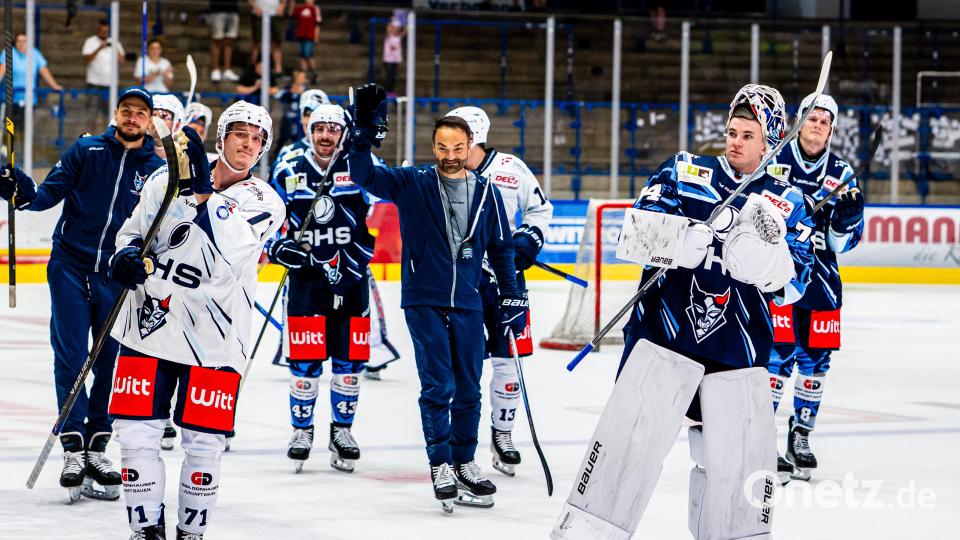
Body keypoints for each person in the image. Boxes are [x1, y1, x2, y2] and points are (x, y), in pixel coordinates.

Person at [551, 84, 815, 540]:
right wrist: (677, 239)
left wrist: (767, 263)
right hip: (662, 340)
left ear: (769, 143)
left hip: (737, 353)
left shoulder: (786, 203)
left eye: (748, 135)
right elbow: (634, 234)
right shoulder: (684, 171)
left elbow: (796, 285)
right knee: (627, 450)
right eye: (732, 131)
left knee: (726, 464)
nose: (735, 141)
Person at [345, 84, 526, 512]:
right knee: (438, 384)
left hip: (468, 300)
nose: (449, 154)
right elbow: (364, 175)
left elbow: (501, 249)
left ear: (470, 147)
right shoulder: (413, 182)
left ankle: (465, 460)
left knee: (469, 387)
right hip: (423, 299)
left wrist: (513, 294)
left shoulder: (488, 194)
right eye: (442, 147)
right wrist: (363, 138)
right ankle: (441, 462)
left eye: (458, 147)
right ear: (433, 147)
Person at [107, 100, 284, 540]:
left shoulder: (265, 200)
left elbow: (228, 252)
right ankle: (145, 528)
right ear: (221, 137)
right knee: (134, 434)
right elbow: (134, 228)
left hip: (215, 340)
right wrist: (124, 255)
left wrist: (204, 194)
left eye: (256, 137)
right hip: (148, 325)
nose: (248, 143)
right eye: (239, 133)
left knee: (204, 442)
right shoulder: (168, 174)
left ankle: (192, 532)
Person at [0, 87, 164, 503]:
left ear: (149, 120)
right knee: (71, 356)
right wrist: (16, 187)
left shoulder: (158, 169)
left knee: (109, 360)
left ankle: (98, 447)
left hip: (117, 274)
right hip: (70, 267)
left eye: (140, 113)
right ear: (116, 113)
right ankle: (74, 448)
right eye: (126, 110)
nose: (132, 118)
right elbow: (41, 198)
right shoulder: (86, 150)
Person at [268, 104, 377, 473]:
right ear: (310, 132)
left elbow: (391, 196)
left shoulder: (361, 170)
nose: (326, 135)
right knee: (305, 363)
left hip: (352, 280)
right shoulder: (289, 170)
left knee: (349, 365)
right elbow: (264, 219)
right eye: (319, 128)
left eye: (333, 128)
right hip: (307, 282)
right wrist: (276, 247)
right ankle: (302, 431)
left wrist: (365, 146)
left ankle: (342, 431)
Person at [444, 106, 552, 477]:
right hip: (463, 284)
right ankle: (464, 442)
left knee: (509, 362)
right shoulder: (444, 173)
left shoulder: (511, 169)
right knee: (466, 366)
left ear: (474, 139)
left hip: (507, 281)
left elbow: (540, 210)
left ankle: (503, 434)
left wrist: (528, 240)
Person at [766, 93, 864, 482]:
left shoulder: (843, 174)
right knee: (776, 360)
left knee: (815, 364)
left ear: (831, 129)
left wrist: (845, 220)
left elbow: (844, 244)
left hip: (822, 284)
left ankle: (800, 435)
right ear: (800, 120)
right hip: (781, 278)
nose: (818, 125)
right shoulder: (774, 162)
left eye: (826, 120)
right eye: (812, 118)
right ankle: (763, 435)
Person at [0, 32, 63, 134]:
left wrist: (54, 85)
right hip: (10, 99)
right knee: (9, 129)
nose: (21, 44)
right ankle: (6, 148)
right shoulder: (8, 52)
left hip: (29, 99)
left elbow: (44, 70)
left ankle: (21, 149)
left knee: (25, 129)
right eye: (18, 41)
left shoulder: (35, 53)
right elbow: (2, 71)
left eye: (24, 41)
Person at [82, 19, 125, 130]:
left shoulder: (115, 42)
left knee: (108, 115)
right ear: (98, 30)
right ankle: (90, 139)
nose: (104, 33)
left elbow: (122, 60)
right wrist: (100, 47)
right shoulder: (90, 41)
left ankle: (105, 139)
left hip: (111, 85)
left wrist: (114, 46)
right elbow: (86, 59)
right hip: (94, 83)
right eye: (102, 31)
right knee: (92, 114)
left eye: (106, 31)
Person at [272, 87, 329, 166]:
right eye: (307, 114)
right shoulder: (287, 153)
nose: (311, 120)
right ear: (301, 118)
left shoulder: (341, 152)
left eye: (317, 114)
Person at [248, 0, 288, 75]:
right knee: (257, 41)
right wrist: (254, 6)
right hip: (258, 12)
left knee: (277, 42)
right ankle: (252, 68)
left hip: (275, 13)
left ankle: (278, 69)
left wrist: (282, 5)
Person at [274, 69, 309, 151]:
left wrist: (302, 94)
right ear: (296, 78)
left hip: (299, 119)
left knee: (298, 138)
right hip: (287, 118)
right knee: (283, 137)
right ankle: (277, 154)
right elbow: (279, 95)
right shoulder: (287, 88)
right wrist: (290, 93)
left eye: (304, 77)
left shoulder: (306, 90)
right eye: (301, 77)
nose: (303, 79)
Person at [208, 0, 241, 82]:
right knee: (217, 39)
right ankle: (215, 69)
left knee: (230, 40)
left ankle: (227, 70)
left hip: (233, 9)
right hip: (217, 9)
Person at [150, 94, 185, 160]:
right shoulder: (134, 154)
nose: (156, 120)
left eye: (164, 116)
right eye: (153, 115)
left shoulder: (187, 160)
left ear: (177, 125)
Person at [292, 0, 321, 75]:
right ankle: (304, 72)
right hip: (301, 34)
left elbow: (317, 24)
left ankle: (314, 72)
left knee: (308, 53)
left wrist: (316, 35)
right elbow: (293, 15)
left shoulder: (315, 9)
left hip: (310, 35)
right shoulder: (300, 8)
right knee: (302, 54)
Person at [381, 18, 405, 96]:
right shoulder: (389, 36)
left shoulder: (397, 37)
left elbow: (403, 32)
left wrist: (407, 26)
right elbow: (388, 29)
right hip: (388, 60)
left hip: (394, 61)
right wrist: (392, 22)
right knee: (389, 77)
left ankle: (390, 91)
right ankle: (386, 91)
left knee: (393, 77)